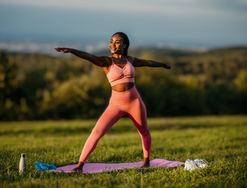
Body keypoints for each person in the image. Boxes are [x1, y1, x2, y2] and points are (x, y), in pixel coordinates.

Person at [55, 32, 171, 172]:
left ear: (124, 45)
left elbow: (147, 63)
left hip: (134, 101)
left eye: (117, 42)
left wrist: (163, 64)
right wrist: (72, 50)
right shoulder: (107, 61)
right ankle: (79, 166)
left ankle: (146, 162)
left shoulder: (130, 60)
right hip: (115, 104)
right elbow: (89, 56)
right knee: (96, 132)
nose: (113, 44)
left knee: (144, 132)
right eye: (111, 41)